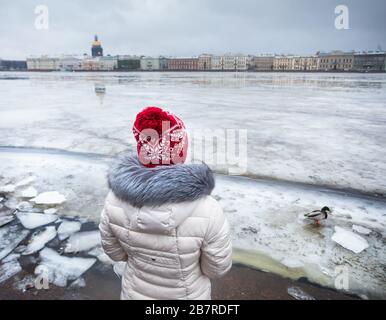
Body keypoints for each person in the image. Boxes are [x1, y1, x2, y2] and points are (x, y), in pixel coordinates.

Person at [99, 106, 232, 300]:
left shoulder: (114, 201)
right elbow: (217, 268)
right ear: (180, 150)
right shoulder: (207, 208)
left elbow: (115, 253)